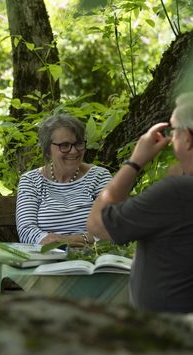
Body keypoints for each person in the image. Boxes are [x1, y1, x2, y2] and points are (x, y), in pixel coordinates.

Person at [87, 93, 193, 313]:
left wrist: (135, 161)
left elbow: (98, 223)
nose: (171, 139)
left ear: (188, 138)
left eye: (174, 131)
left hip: (169, 332)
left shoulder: (177, 192)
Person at [16, 114, 112, 246]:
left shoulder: (99, 177)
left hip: (92, 258)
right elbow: (26, 231)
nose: (73, 151)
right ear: (48, 150)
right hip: (47, 257)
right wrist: (85, 238)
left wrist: (66, 240)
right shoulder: (31, 181)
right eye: (64, 145)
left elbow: (111, 228)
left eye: (78, 144)